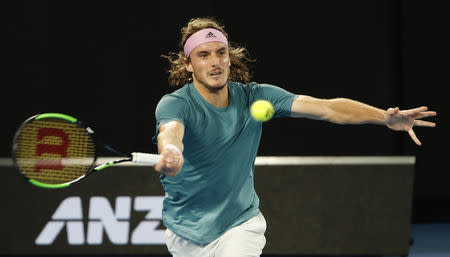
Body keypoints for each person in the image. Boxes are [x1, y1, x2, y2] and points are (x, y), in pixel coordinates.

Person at [153, 17, 436, 257]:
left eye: (220, 52)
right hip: (185, 231)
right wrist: (171, 151)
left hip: (239, 224)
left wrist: (384, 117)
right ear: (188, 64)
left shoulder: (257, 96)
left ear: (230, 57)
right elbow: (171, 131)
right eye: (204, 55)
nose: (215, 62)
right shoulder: (175, 103)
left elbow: (327, 108)